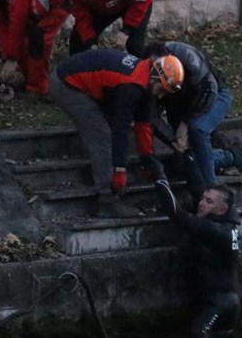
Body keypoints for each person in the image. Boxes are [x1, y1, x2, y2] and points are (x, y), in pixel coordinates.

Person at [48, 49, 184, 217]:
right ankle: (107, 200)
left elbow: (143, 124)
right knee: (103, 136)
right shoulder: (130, 87)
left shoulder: (145, 77)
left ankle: (105, 175)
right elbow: (121, 129)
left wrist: (147, 158)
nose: (161, 95)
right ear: (156, 77)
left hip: (90, 81)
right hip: (67, 85)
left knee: (109, 131)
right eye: (161, 90)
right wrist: (120, 171)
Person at [146, 41, 242, 201]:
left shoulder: (188, 57)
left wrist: (186, 123)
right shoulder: (146, 71)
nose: (159, 95)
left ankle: (211, 192)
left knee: (197, 128)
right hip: (179, 106)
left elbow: (209, 91)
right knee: (182, 162)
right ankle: (227, 157)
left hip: (214, 95)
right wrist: (172, 139)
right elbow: (150, 115)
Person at [155, 180, 241, 337]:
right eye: (202, 199)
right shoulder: (226, 225)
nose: (201, 204)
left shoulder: (213, 229)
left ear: (222, 209)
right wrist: (188, 157)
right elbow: (196, 182)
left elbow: (176, 214)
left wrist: (160, 179)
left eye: (209, 201)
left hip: (217, 304)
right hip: (224, 301)